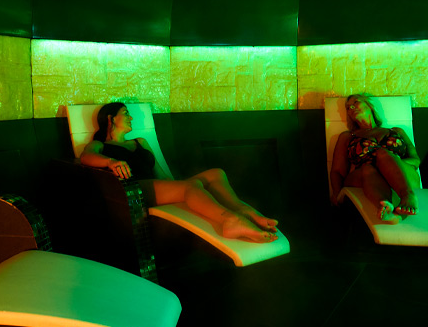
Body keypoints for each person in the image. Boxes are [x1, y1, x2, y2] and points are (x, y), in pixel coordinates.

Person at [80, 102, 279, 243]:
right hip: (133, 191)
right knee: (191, 187)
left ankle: (243, 211)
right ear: (110, 118)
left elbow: (159, 173)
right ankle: (230, 221)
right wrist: (111, 161)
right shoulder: (101, 145)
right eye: (125, 112)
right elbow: (85, 157)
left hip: (155, 186)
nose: (131, 117)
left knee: (215, 174)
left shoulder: (140, 142)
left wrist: (183, 189)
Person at [329, 94, 421, 224]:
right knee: (368, 168)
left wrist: (389, 164)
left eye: (356, 102)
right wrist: (337, 193)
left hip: (404, 175)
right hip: (365, 176)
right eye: (348, 107)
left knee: (384, 154)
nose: (351, 107)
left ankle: (407, 196)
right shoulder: (347, 136)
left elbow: (415, 160)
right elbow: (337, 171)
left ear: (369, 105)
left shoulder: (397, 131)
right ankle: (385, 208)